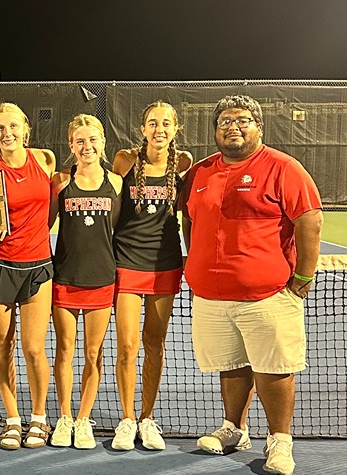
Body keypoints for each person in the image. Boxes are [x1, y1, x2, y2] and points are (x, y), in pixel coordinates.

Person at [181, 95, 322, 475]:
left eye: (242, 120)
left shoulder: (283, 167)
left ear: (258, 126)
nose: (233, 127)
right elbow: (190, 222)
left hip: (268, 294)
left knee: (273, 367)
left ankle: (279, 440)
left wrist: (304, 276)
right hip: (211, 296)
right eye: (225, 121)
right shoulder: (201, 172)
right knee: (232, 365)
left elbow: (309, 220)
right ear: (215, 130)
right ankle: (234, 429)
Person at [0, 102, 56, 450]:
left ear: (26, 128)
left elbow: (50, 210)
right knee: (2, 346)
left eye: (13, 127)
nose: (7, 134)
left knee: (34, 348)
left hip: (38, 266)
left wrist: (33, 236)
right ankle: (12, 418)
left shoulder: (45, 160)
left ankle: (39, 418)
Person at [111, 100, 192, 451]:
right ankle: (126, 419)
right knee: (127, 345)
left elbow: (187, 217)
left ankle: (147, 418)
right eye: (152, 123)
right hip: (126, 260)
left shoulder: (184, 164)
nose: (159, 129)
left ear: (175, 129)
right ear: (142, 128)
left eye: (166, 124)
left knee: (154, 344)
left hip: (165, 264)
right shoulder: (124, 160)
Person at [49, 114, 122, 449]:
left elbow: (117, 230)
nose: (86, 146)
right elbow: (43, 221)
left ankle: (83, 419)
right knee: (65, 349)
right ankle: (64, 417)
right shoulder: (61, 181)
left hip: (102, 278)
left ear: (103, 143)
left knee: (93, 352)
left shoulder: (117, 183)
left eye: (92, 140)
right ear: (70, 145)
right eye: (79, 141)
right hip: (65, 276)